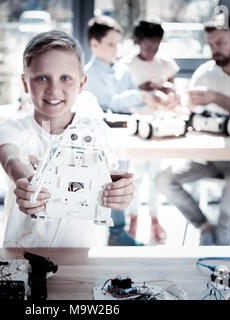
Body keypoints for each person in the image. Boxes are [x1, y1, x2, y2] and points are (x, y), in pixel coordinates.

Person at [0, 30, 135, 248]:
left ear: (81, 83)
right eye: (41, 78)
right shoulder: (12, 129)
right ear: (25, 83)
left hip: (83, 256)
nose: (54, 89)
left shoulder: (98, 131)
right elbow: (12, 160)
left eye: (65, 78)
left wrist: (121, 191)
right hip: (21, 259)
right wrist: (29, 182)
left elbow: (109, 177)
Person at [155, 14, 230, 245]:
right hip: (209, 158)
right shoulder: (204, 72)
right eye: (210, 44)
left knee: (229, 207)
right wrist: (176, 106)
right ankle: (205, 227)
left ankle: (218, 240)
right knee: (163, 180)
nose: (214, 50)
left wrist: (217, 98)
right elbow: (190, 116)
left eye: (220, 43)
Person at [84, 16, 177, 246]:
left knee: (126, 181)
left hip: (126, 137)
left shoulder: (121, 72)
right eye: (110, 44)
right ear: (94, 44)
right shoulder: (89, 74)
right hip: (105, 140)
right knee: (113, 183)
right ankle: (116, 233)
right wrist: (143, 95)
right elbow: (110, 102)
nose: (116, 49)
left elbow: (132, 102)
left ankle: (120, 231)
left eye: (117, 44)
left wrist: (157, 100)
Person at [123, 19, 181, 244]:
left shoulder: (165, 63)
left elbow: (175, 92)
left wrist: (168, 90)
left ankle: (155, 219)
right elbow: (120, 96)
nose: (153, 50)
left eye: (156, 46)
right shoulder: (127, 64)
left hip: (160, 127)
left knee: (157, 176)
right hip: (135, 127)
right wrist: (141, 89)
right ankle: (133, 219)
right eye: (148, 46)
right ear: (137, 42)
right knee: (134, 177)